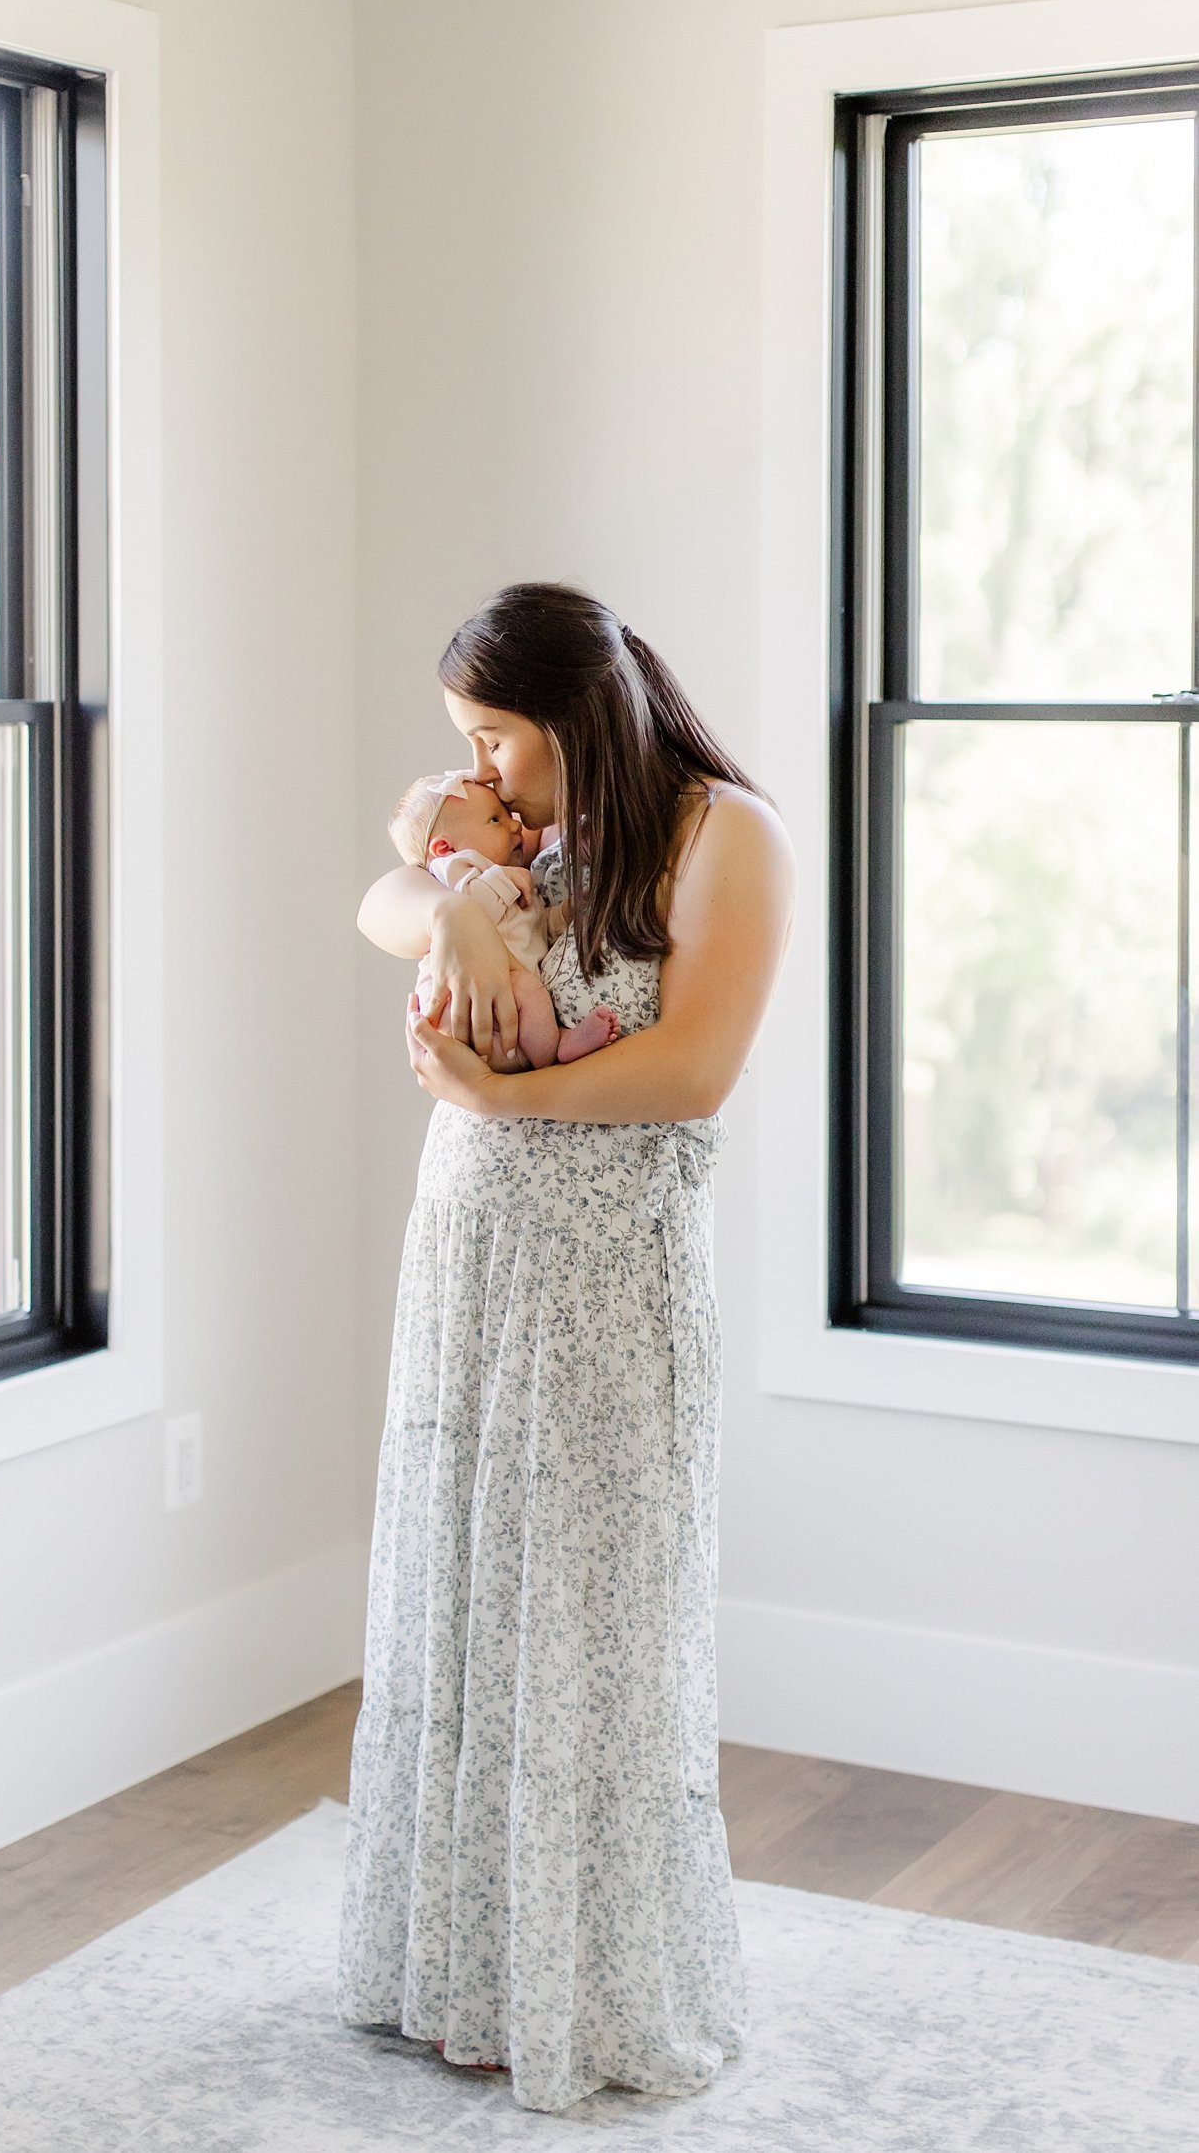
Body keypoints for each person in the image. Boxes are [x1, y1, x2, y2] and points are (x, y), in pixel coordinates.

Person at [335, 581, 797, 2115]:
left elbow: (691, 1069)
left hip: (607, 1285)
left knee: (590, 1631)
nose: (478, 764)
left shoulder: (725, 835)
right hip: (469, 1254)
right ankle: (458, 1978)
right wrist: (456, 892)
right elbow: (379, 901)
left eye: (495, 737)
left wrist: (505, 1100)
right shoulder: (507, 832)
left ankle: (586, 1990)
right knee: (461, 1600)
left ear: (575, 716)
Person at [387, 766, 620, 1067]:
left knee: (527, 991)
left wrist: (564, 913)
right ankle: (555, 1047)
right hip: (456, 1008)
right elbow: (474, 904)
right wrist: (503, 879)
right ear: (445, 848)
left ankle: (544, 1050)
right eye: (495, 819)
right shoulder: (453, 870)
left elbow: (535, 929)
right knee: (528, 989)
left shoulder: (510, 884)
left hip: (501, 1019)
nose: (514, 827)